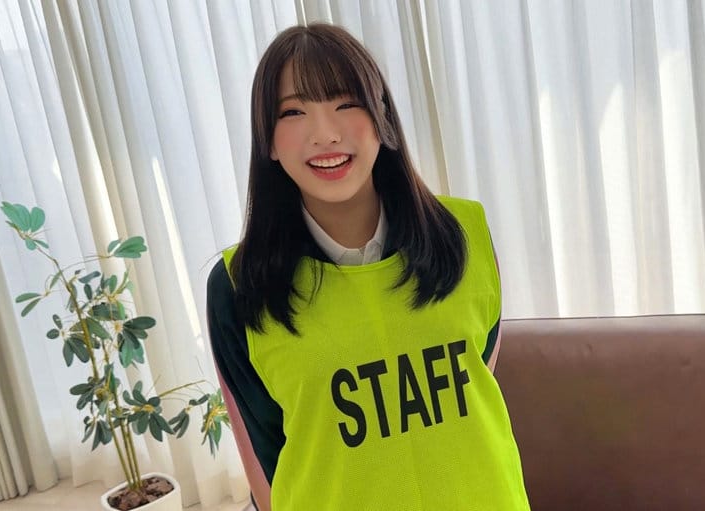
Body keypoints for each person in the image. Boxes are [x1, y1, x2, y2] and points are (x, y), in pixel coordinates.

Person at [207, 22, 529, 511]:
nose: (325, 134)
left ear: (383, 118)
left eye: (347, 103)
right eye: (293, 111)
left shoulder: (462, 234)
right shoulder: (238, 286)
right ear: (267, 140)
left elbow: (478, 373)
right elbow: (264, 455)